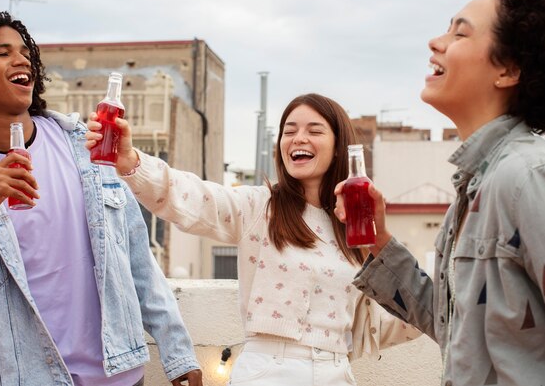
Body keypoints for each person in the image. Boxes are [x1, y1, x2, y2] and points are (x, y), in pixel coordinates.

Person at [85, 93, 421, 386]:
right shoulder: (261, 207)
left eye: (314, 130)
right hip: (269, 371)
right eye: (289, 131)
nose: (298, 138)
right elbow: (188, 196)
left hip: (338, 372)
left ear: (338, 149)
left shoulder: (354, 225)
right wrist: (129, 160)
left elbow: (402, 316)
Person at [334, 0, 545, 384]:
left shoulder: (530, 177)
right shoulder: (475, 185)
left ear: (509, 69)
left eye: (460, 34)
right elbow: (451, 327)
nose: (435, 42)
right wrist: (379, 242)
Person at [0, 11, 202, 386]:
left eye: (24, 52)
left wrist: (178, 355)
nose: (21, 60)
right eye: (3, 53)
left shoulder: (88, 148)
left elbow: (136, 258)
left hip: (120, 376)